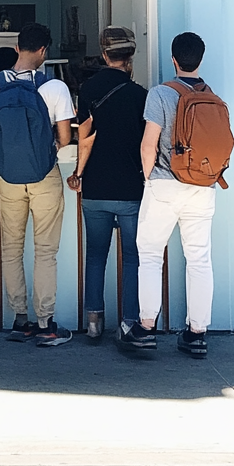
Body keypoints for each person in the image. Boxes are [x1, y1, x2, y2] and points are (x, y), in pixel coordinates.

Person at [0, 23, 75, 347]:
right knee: (45, 251)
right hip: (44, 176)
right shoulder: (54, 87)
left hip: (8, 178)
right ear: (43, 51)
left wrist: (6, 149)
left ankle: (20, 320)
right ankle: (45, 322)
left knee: (11, 250)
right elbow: (65, 136)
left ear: (17, 48)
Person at [121, 31, 215, 358]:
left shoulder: (161, 94)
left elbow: (148, 145)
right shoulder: (212, 97)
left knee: (149, 256)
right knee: (199, 259)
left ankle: (146, 328)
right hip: (203, 187)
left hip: (165, 181)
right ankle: (197, 334)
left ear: (173, 59)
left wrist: (150, 180)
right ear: (200, 59)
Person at [66, 27, 147, 340]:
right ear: (131, 55)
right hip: (130, 188)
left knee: (96, 254)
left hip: (96, 187)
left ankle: (94, 322)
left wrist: (78, 174)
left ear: (103, 54)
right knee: (133, 257)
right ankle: (129, 321)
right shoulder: (141, 95)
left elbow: (84, 139)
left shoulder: (89, 88)